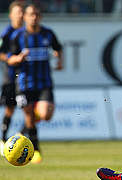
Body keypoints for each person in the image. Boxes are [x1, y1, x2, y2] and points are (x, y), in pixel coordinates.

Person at [7, 4, 63, 164]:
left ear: (40, 16)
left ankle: (22, 130)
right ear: (24, 16)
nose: (34, 17)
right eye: (31, 14)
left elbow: (58, 48)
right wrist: (17, 59)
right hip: (24, 84)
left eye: (37, 14)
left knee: (45, 114)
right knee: (29, 115)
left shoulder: (48, 34)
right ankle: (36, 150)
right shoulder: (17, 36)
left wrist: (59, 60)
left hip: (44, 82)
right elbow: (9, 58)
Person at [0, 1, 24, 154]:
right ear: (11, 15)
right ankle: (3, 138)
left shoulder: (27, 31)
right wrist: (10, 58)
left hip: (27, 78)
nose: (20, 15)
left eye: (22, 12)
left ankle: (22, 136)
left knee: (29, 108)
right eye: (17, 12)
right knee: (10, 108)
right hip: (10, 77)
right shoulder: (6, 33)